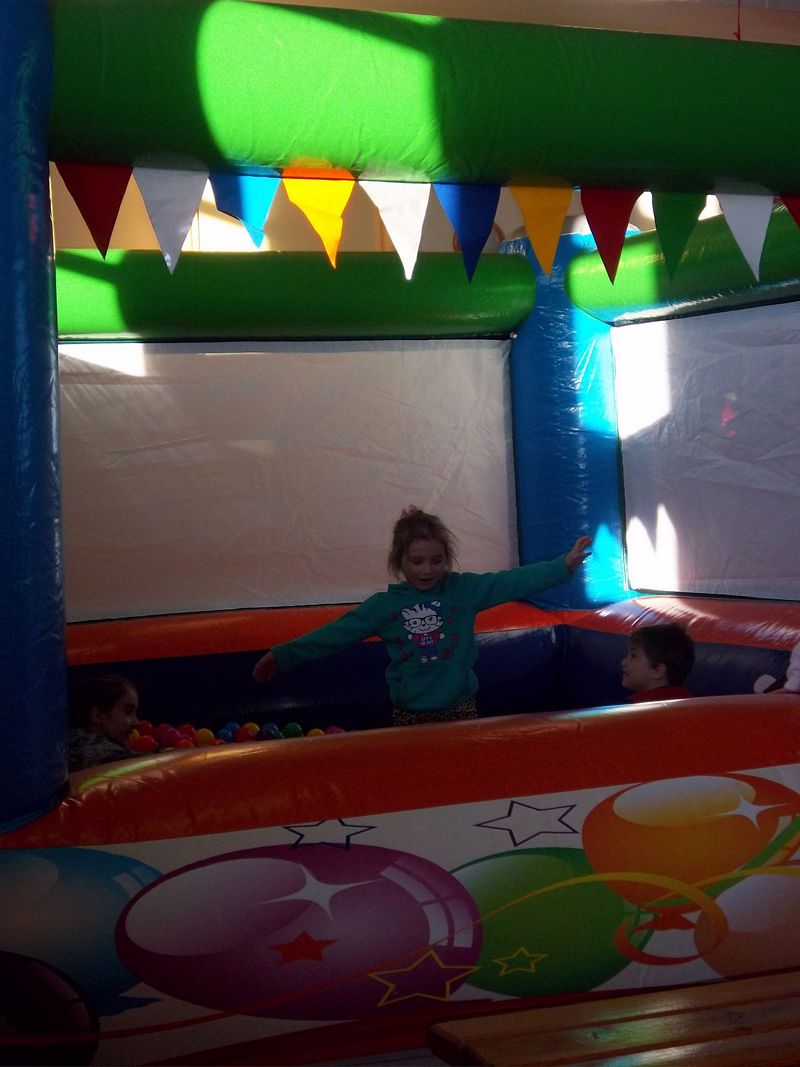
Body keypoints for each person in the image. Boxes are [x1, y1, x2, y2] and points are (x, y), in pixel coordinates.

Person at [253, 506, 592, 725]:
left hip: (460, 707)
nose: (427, 570)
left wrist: (562, 565)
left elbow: (512, 581)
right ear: (399, 562)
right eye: (416, 562)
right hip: (411, 712)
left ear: (447, 558)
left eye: (437, 560)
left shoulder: (462, 590)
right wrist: (284, 655)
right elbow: (337, 634)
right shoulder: (386, 605)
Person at [68, 674, 141, 772]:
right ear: (98, 716)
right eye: (128, 711)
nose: (136, 722)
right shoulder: (90, 748)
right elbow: (143, 765)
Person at [621, 622, 695, 702]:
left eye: (633, 655)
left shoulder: (636, 706)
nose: (623, 662)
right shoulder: (691, 702)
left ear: (657, 670)